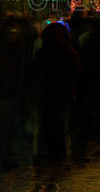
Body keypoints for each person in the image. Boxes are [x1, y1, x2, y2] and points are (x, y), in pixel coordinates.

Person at [31, 22, 82, 161]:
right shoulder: (68, 52)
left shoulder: (44, 53)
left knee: (52, 126)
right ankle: (60, 155)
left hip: (52, 94)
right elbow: (76, 73)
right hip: (60, 94)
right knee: (59, 127)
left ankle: (55, 153)